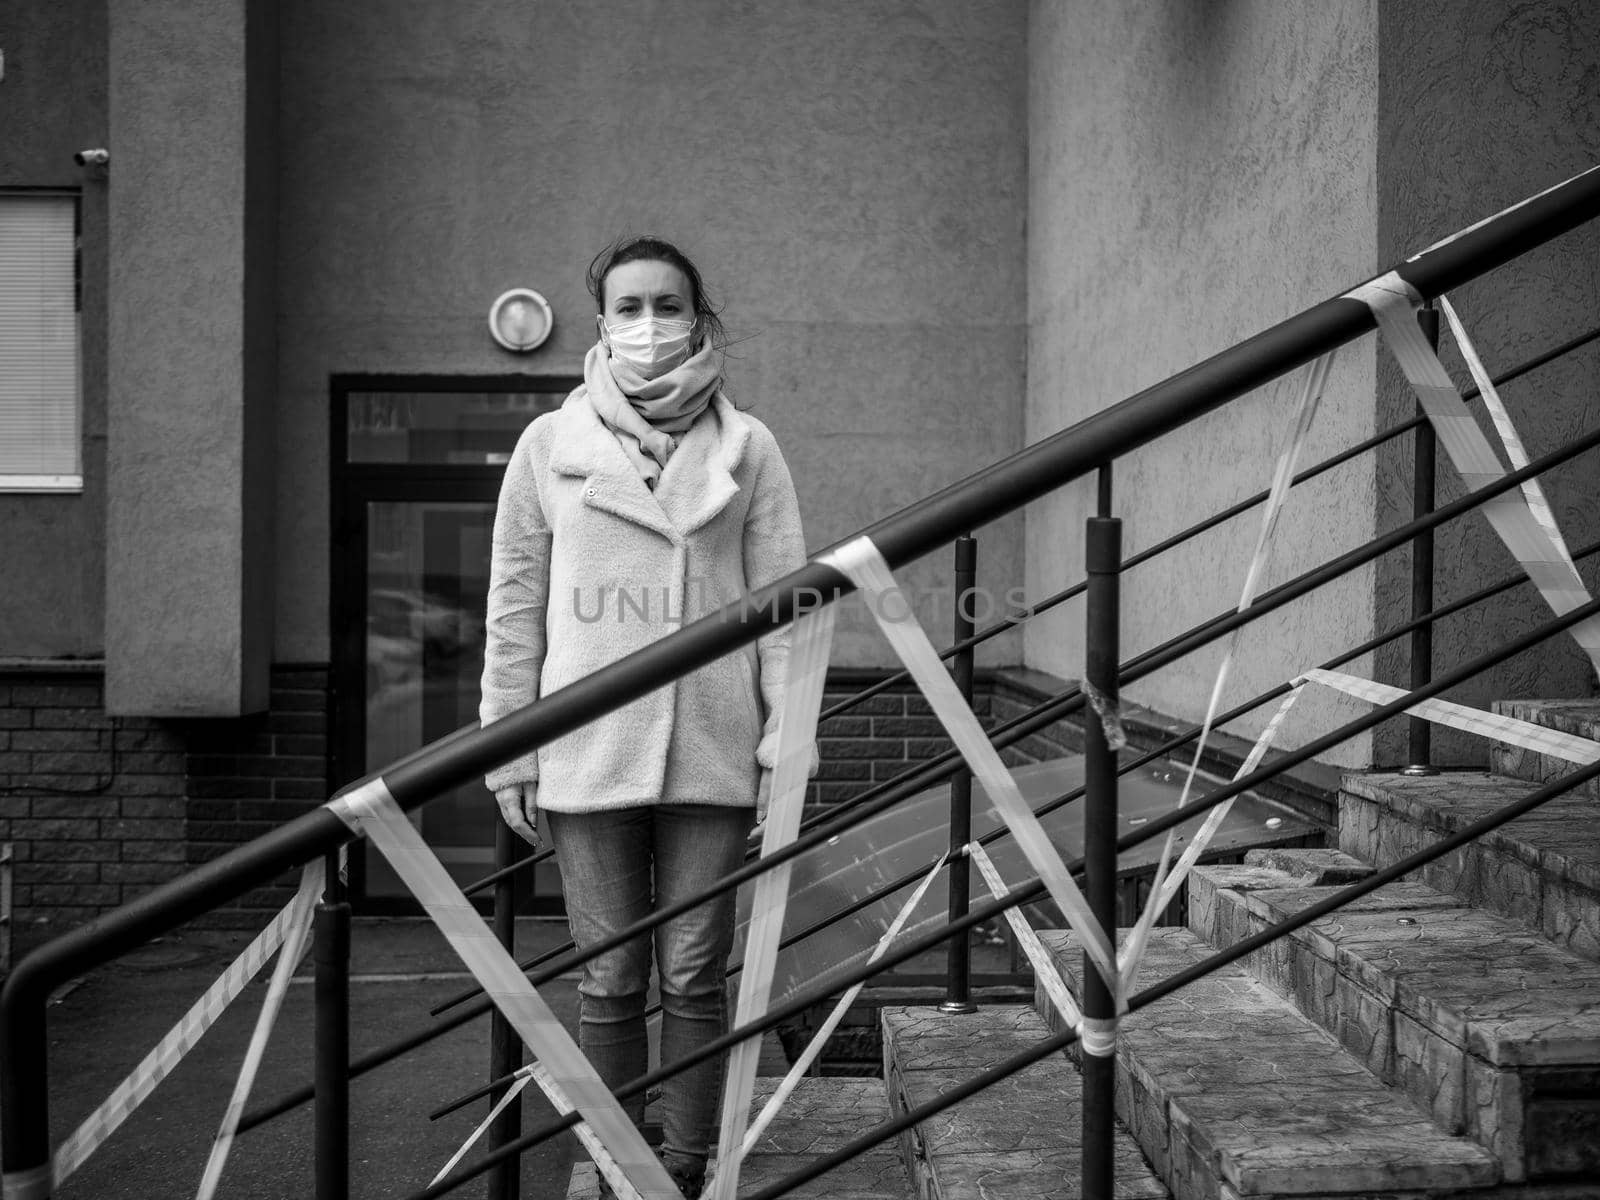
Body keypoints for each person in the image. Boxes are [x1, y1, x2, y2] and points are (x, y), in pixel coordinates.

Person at [478, 235, 809, 1198]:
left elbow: (789, 603)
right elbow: (514, 602)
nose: (649, 325)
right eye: (630, 307)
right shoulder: (551, 445)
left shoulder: (751, 448)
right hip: (587, 747)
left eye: (668, 305)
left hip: (714, 743)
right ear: (601, 325)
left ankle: (690, 1156)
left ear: (701, 321)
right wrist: (510, 748)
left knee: (696, 972)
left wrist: (789, 733)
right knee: (610, 976)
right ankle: (618, 1157)